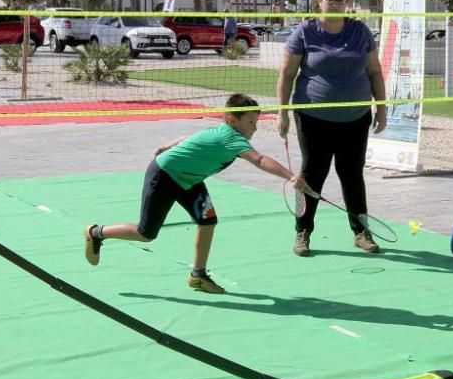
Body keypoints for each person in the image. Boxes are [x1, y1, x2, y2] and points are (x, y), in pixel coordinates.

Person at [82, 93, 306, 294]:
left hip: (189, 180)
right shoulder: (232, 137)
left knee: (207, 221)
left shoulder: (219, 131)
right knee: (146, 233)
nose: (254, 128)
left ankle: (197, 275)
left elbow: (186, 138)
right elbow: (259, 159)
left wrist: (165, 146)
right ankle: (96, 232)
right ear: (231, 120)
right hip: (164, 176)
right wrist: (291, 176)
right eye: (249, 122)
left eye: (255, 123)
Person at [276, 0, 387, 257]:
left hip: (356, 116)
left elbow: (374, 71)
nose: (336, 3)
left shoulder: (360, 31)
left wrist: (381, 108)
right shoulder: (305, 31)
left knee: (352, 175)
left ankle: (361, 232)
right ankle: (303, 232)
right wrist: (283, 113)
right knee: (312, 175)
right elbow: (287, 75)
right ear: (320, 1)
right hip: (314, 117)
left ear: (346, 1)